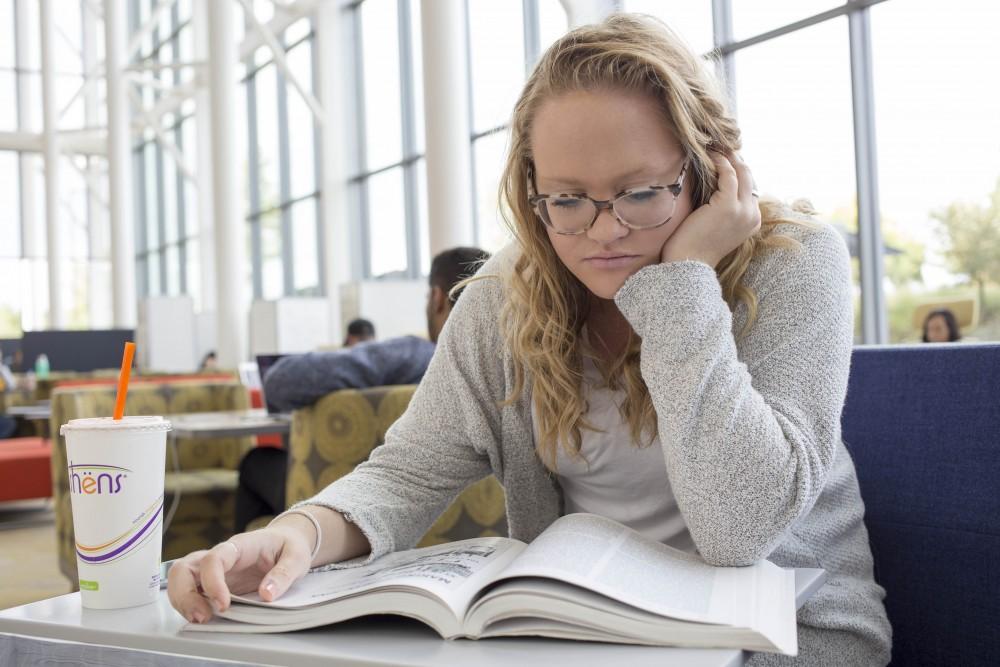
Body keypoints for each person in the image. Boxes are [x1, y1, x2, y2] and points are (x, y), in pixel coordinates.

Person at [169, 15, 890, 665]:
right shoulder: (504, 301)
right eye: (568, 199)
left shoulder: (795, 263)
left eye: (641, 193)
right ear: (531, 190)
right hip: (596, 641)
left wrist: (682, 284)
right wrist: (301, 531)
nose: (604, 231)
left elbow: (742, 530)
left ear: (710, 170)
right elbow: (408, 473)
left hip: (787, 638)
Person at [231, 246, 490, 533]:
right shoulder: (506, 369)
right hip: (477, 520)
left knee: (255, 462)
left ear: (437, 298)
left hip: (349, 500)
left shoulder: (409, 354)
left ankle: (258, 557)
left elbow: (281, 382)